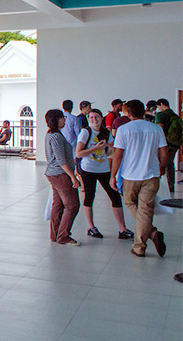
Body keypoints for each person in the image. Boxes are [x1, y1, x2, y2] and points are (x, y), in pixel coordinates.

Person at [111, 99, 170, 258]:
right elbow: (164, 153)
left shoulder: (123, 130)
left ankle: (148, 238)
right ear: (143, 111)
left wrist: (113, 176)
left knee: (130, 203)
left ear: (128, 113)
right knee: (145, 210)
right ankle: (142, 244)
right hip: (151, 175)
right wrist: (162, 167)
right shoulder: (156, 129)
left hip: (130, 176)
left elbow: (117, 156)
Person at [75, 109, 131, 240]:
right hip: (88, 169)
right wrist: (96, 148)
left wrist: (111, 149)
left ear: (102, 118)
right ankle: (91, 227)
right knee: (89, 196)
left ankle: (122, 229)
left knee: (115, 196)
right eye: (91, 117)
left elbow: (109, 150)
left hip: (104, 169)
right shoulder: (86, 132)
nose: (94, 120)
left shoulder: (106, 132)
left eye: (97, 117)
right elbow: (79, 153)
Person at [44, 108, 81, 246]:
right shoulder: (56, 136)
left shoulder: (52, 134)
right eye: (62, 117)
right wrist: (73, 176)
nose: (64, 120)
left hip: (55, 174)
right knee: (72, 205)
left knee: (58, 204)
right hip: (60, 174)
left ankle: (56, 234)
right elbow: (61, 159)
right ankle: (63, 235)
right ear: (56, 120)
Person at [154, 98, 181, 190]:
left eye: (158, 107)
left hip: (164, 144)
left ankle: (160, 185)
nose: (158, 109)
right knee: (170, 164)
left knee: (160, 163)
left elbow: (159, 129)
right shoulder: (175, 115)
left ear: (161, 104)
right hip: (174, 144)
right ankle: (171, 185)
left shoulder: (160, 115)